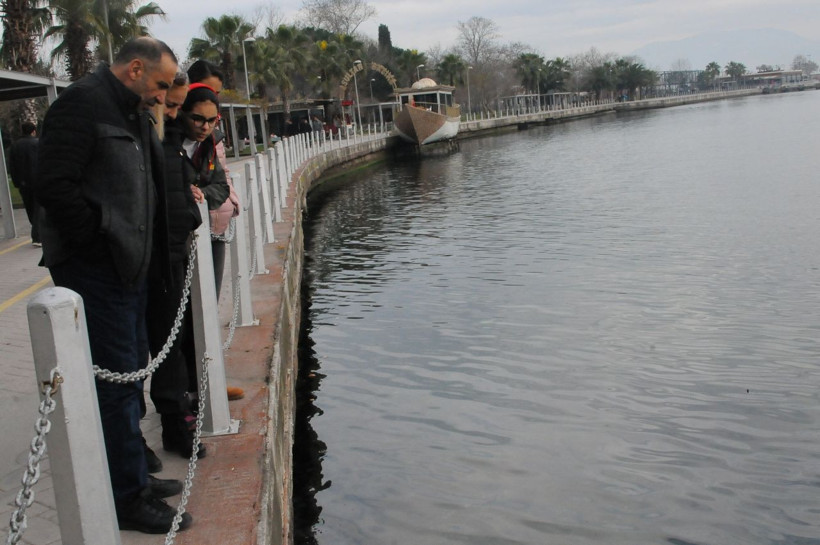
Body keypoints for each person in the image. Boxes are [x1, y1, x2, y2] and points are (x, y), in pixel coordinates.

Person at [33, 37, 193, 534]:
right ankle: (128, 498)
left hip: (131, 270)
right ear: (135, 68)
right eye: (161, 84)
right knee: (116, 386)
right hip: (100, 272)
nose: (165, 95)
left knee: (129, 378)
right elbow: (53, 184)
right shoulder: (82, 104)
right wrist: (99, 244)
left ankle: (131, 474)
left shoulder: (132, 111)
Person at [148, 82, 229, 460]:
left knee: (194, 325)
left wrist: (200, 192)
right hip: (163, 255)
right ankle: (174, 420)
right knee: (169, 337)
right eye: (197, 118)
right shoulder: (163, 142)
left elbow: (220, 186)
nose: (204, 126)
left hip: (188, 247)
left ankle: (191, 401)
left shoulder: (207, 147)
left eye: (212, 121)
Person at [187, 60, 244, 402]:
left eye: (218, 95)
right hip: (193, 232)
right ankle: (197, 390)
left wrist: (225, 199)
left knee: (211, 305)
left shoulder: (212, 136)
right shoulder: (175, 141)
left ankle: (211, 382)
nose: (215, 100)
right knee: (194, 312)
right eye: (210, 91)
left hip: (217, 227)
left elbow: (220, 180)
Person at [8, 121, 40, 245]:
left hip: (23, 183)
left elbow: (12, 166)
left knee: (30, 207)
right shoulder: (37, 144)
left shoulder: (15, 146)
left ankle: (36, 230)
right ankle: (37, 235)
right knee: (38, 209)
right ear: (33, 131)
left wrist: (17, 182)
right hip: (37, 181)